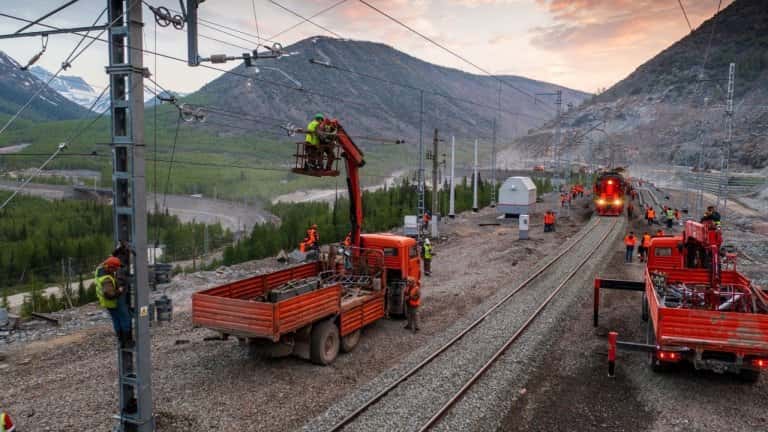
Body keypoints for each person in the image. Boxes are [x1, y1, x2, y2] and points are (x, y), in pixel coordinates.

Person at [95, 255, 132, 347]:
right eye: (115, 269)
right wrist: (119, 290)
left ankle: (120, 341)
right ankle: (127, 341)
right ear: (110, 267)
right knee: (125, 319)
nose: (115, 271)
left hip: (107, 303)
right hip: (113, 302)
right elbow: (110, 294)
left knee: (116, 320)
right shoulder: (106, 279)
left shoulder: (101, 269)